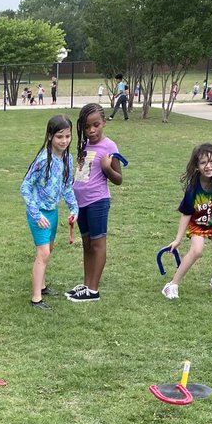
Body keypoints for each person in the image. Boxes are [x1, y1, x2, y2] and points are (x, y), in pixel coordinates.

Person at [161, 143, 212, 301]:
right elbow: (186, 214)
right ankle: (172, 285)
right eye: (203, 163)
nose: (208, 166)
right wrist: (178, 240)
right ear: (196, 166)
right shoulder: (193, 187)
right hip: (198, 223)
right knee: (196, 251)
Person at [64, 104, 123, 303]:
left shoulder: (110, 147)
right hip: (81, 203)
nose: (91, 130)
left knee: (98, 244)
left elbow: (118, 179)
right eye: (87, 126)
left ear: (104, 123)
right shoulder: (83, 145)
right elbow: (81, 173)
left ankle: (94, 290)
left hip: (98, 201)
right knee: (87, 245)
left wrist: (107, 167)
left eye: (96, 125)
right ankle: (87, 284)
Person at [19, 114, 77, 310]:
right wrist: (36, 214)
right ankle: (36, 299)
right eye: (60, 136)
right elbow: (25, 187)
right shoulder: (43, 159)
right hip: (39, 213)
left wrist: (74, 208)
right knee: (43, 253)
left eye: (68, 136)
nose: (64, 141)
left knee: (48, 250)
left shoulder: (68, 159)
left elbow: (67, 187)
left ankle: (42, 286)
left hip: (52, 212)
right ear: (50, 136)